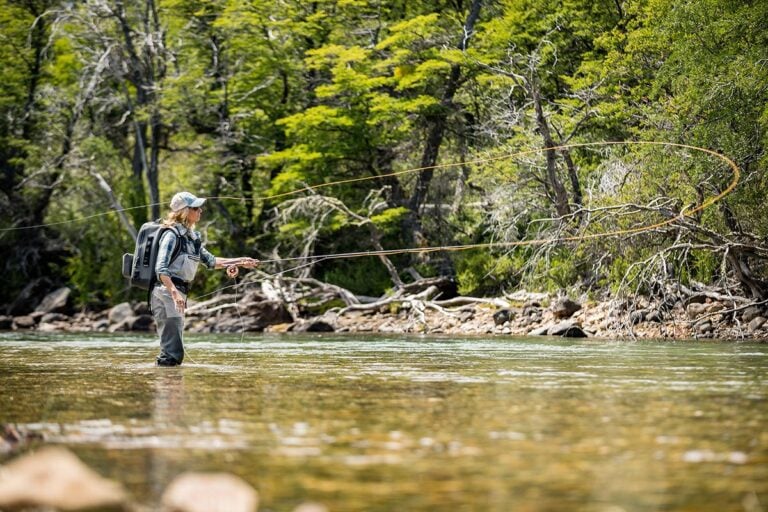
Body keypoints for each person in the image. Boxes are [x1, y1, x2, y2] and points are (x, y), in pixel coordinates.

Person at [152, 191, 258, 366]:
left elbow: (211, 261)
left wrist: (241, 261)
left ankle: (169, 386)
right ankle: (167, 388)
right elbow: (161, 268)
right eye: (196, 208)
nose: (200, 211)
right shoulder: (171, 235)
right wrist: (174, 293)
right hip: (166, 293)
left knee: (173, 350)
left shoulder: (192, 239)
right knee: (172, 352)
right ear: (185, 211)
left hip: (177, 293)